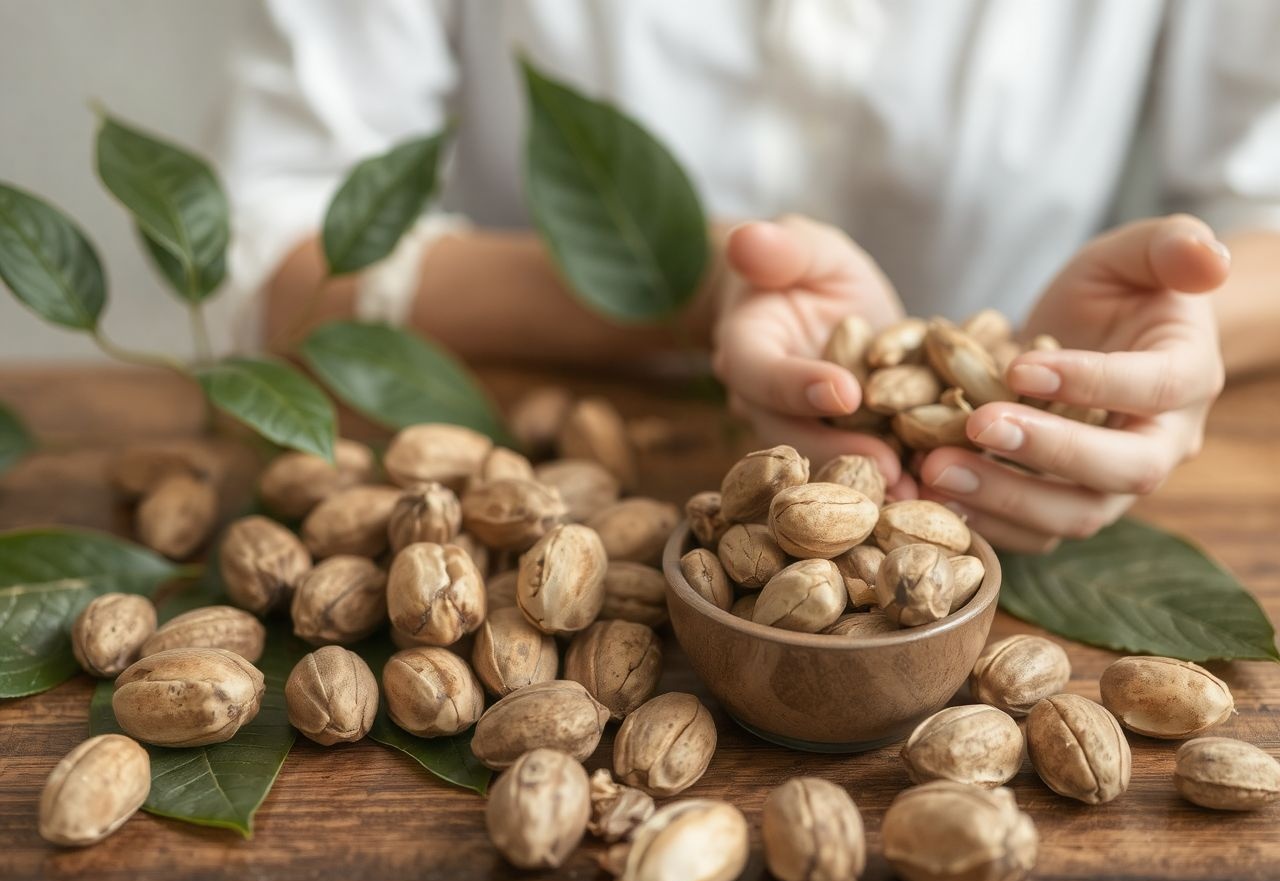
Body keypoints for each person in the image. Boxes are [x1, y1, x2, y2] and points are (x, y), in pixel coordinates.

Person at [220, 0, 1280, 553]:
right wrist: (705, 286)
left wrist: (1156, 339)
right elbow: (271, 247)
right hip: (569, 460)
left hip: (1000, 477)